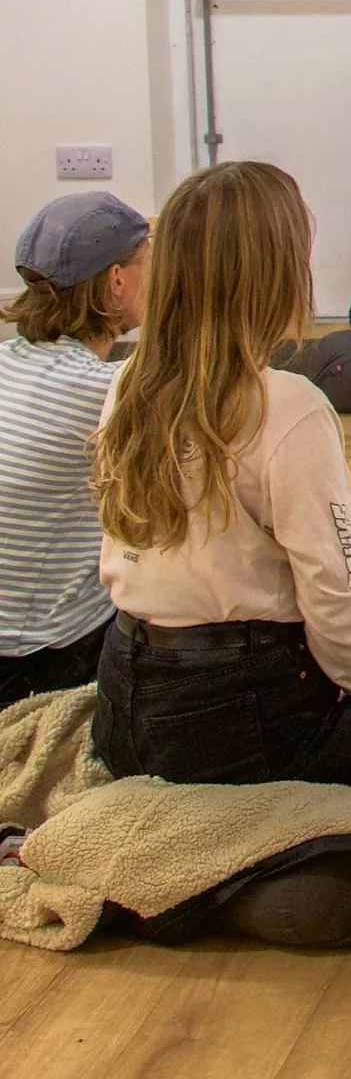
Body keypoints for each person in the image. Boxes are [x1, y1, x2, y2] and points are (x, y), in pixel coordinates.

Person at [89, 161, 351, 791]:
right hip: (234, 711)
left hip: (121, 694)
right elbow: (330, 591)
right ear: (276, 274)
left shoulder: (127, 382)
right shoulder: (288, 406)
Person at [1, 194, 149, 706]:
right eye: (147, 261)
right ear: (116, 280)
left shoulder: (7, 359)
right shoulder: (102, 391)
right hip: (35, 660)